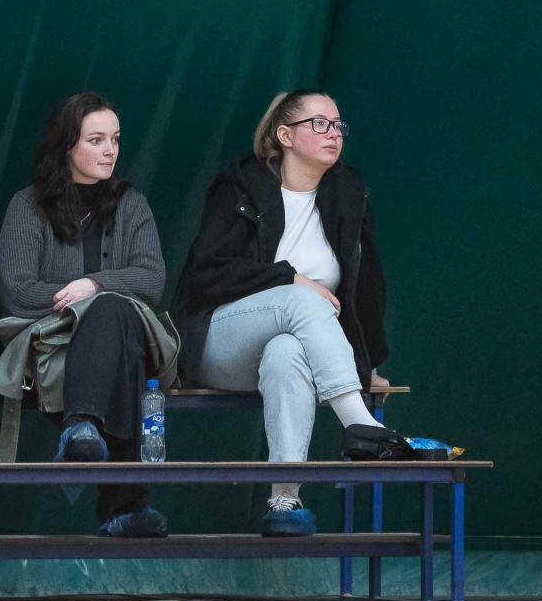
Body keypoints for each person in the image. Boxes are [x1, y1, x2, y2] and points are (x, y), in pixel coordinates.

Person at [172, 89, 419, 538]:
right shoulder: (239, 187)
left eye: (338, 125)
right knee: (301, 297)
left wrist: (369, 363)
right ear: (285, 135)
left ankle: (284, 499)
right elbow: (207, 273)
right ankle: (360, 425)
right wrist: (289, 278)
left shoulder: (348, 193)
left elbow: (366, 288)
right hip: (220, 344)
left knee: (286, 352)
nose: (333, 133)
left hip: (299, 349)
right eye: (320, 124)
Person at [0, 92, 177, 538]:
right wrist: (84, 303)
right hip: (53, 343)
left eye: (115, 139)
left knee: (113, 310)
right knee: (120, 333)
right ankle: (126, 505)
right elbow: (18, 292)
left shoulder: (131, 203)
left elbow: (151, 281)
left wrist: (94, 285)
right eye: (96, 140)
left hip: (123, 336)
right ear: (66, 145)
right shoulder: (28, 205)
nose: (110, 150)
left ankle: (81, 426)